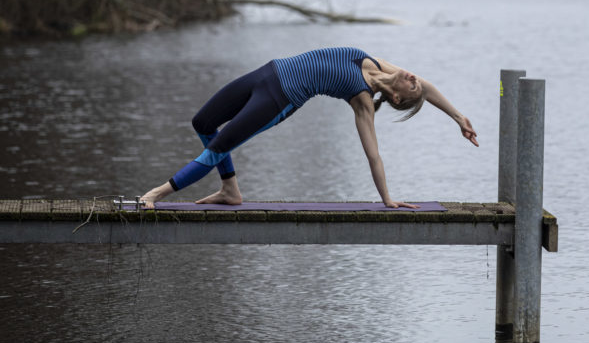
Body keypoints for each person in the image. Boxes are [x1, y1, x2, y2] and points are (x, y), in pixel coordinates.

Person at [139, 47, 478, 210]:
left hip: (278, 100)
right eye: (415, 79)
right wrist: (458, 117)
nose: (415, 78)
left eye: (413, 86)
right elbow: (427, 86)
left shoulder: (362, 101)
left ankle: (155, 195)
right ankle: (230, 191)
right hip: (267, 72)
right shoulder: (379, 64)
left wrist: (387, 199)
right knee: (202, 123)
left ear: (397, 98)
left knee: (217, 149)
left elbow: (374, 156)